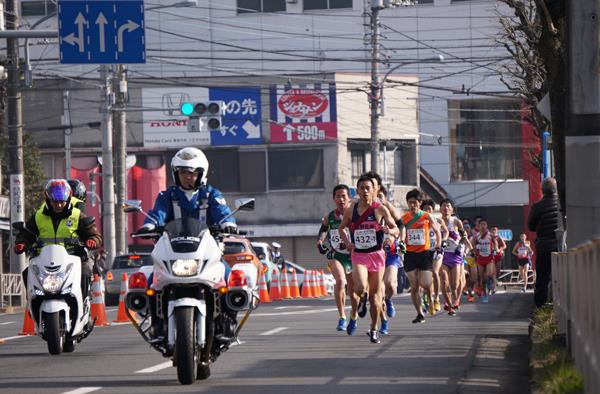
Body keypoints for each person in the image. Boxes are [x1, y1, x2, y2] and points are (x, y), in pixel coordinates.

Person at [14, 179, 102, 300]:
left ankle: (82, 300)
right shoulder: (38, 216)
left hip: (73, 258)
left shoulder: (77, 215)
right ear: (48, 199)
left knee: (86, 271)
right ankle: (32, 302)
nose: (59, 205)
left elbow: (94, 234)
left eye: (62, 202)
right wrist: (22, 243)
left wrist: (92, 241)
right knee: (27, 273)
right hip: (44, 260)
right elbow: (26, 233)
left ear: (68, 198)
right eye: (55, 202)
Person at [338, 175, 399, 343]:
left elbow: (396, 229)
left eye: (368, 188)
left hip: (377, 256)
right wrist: (347, 242)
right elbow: (342, 228)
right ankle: (361, 299)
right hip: (359, 254)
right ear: (357, 191)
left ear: (374, 190)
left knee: (376, 298)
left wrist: (389, 233)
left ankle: (373, 329)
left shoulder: (380, 209)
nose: (365, 191)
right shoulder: (351, 209)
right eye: (361, 188)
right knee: (359, 286)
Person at [141, 147, 237, 233]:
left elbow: (222, 212)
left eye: (192, 173)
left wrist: (228, 224)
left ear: (201, 174)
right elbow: (158, 213)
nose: (187, 177)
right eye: (182, 172)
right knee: (155, 253)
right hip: (172, 247)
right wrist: (149, 225)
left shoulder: (211, 194)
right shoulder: (167, 195)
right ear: (176, 174)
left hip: (207, 247)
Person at [316, 184, 358, 332]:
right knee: (340, 281)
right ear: (334, 199)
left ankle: (353, 315)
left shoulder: (355, 214)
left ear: (349, 198)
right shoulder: (330, 216)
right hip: (336, 255)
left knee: (353, 292)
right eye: (338, 196)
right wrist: (320, 241)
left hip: (353, 256)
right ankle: (342, 317)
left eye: (343, 196)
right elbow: (323, 229)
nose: (341, 199)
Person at [400, 188, 441, 324]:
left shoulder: (426, 216)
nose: (412, 205)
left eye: (414, 202)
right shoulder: (404, 218)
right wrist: (401, 242)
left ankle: (430, 299)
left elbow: (437, 230)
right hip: (410, 255)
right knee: (415, 285)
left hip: (424, 254)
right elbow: (402, 232)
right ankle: (419, 313)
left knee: (426, 283)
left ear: (420, 202)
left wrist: (439, 245)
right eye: (409, 202)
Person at [528, 177, 561, 307]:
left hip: (544, 245)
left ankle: (540, 306)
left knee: (542, 277)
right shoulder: (561, 204)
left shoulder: (537, 206)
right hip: (561, 245)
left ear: (542, 190)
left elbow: (531, 226)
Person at [440, 199, 471, 315]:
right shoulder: (437, 221)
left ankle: (456, 299)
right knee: (444, 280)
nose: (446, 208)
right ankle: (448, 303)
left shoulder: (456, 222)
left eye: (448, 206)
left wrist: (461, 246)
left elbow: (464, 236)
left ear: (452, 209)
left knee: (455, 284)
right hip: (442, 255)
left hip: (455, 255)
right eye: (443, 206)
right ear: (440, 208)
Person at [421, 199, 447, 314]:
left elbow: (446, 232)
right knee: (426, 278)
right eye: (425, 209)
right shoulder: (419, 222)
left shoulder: (438, 220)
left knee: (435, 272)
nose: (427, 211)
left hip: (437, 250)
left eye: (429, 209)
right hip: (425, 251)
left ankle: (436, 297)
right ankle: (428, 297)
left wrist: (443, 241)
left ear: (432, 210)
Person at [470, 218, 497, 303]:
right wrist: (475, 249)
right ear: (479, 226)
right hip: (480, 258)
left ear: (487, 226)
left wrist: (495, 249)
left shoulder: (490, 235)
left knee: (489, 274)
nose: (483, 226)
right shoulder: (476, 236)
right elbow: (472, 245)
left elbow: (495, 242)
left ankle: (491, 284)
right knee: (482, 278)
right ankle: (485, 295)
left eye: (485, 224)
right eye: (481, 224)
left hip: (489, 257)